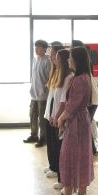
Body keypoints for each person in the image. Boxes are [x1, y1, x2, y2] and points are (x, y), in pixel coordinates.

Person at [50, 46, 94, 195]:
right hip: (81, 120)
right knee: (82, 156)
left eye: (70, 58)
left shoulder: (79, 80)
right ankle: (81, 193)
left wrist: (61, 119)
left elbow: (71, 106)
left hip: (76, 121)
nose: (68, 60)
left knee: (69, 157)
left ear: (77, 60)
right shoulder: (84, 77)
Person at [50, 48, 73, 189]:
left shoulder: (69, 77)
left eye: (57, 58)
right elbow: (56, 100)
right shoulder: (60, 74)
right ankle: (61, 179)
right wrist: (53, 116)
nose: (55, 60)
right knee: (58, 149)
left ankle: (65, 181)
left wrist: (58, 117)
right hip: (57, 117)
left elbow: (63, 103)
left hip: (62, 119)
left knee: (63, 151)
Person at [43, 42, 65, 179]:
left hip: (56, 113)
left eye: (53, 55)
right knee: (50, 141)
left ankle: (56, 168)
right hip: (49, 111)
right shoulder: (54, 71)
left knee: (56, 143)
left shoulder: (65, 74)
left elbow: (62, 100)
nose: (50, 57)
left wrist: (56, 115)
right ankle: (52, 165)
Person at [24, 39, 50, 146]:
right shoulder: (35, 59)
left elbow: (50, 77)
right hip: (34, 94)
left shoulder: (47, 60)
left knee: (42, 119)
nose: (36, 49)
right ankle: (34, 135)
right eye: (35, 47)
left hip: (43, 95)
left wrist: (45, 88)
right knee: (32, 115)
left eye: (38, 47)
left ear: (44, 49)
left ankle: (43, 138)